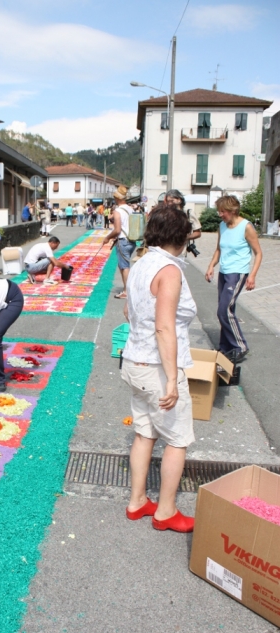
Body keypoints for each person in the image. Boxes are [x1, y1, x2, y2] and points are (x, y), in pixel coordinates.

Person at [121, 205, 197, 533]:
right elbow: (164, 327)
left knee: (144, 433)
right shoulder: (169, 270)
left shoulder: (140, 263)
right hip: (158, 366)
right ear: (180, 237)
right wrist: (172, 381)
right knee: (177, 439)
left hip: (134, 359)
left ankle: (137, 500)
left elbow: (129, 310)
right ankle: (165, 511)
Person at [205, 195, 262, 362]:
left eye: (223, 212)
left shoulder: (246, 227)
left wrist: (252, 275)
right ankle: (225, 347)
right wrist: (211, 266)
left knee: (224, 310)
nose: (220, 215)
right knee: (226, 310)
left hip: (238, 273)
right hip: (224, 272)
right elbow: (218, 249)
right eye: (219, 212)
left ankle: (240, 346)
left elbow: (258, 253)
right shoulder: (222, 226)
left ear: (233, 211)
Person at [103, 185, 136, 299]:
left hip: (123, 240)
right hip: (131, 240)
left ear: (117, 198)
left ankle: (126, 291)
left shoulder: (118, 211)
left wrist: (107, 237)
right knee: (124, 265)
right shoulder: (130, 209)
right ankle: (127, 289)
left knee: (124, 266)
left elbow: (117, 230)